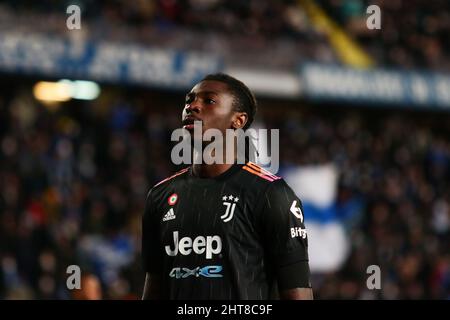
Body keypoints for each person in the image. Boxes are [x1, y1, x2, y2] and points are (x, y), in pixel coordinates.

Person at [142, 73, 313, 300]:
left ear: (238, 121)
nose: (192, 106)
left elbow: (297, 292)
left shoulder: (271, 194)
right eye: (189, 100)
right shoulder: (160, 195)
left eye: (208, 101)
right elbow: (154, 288)